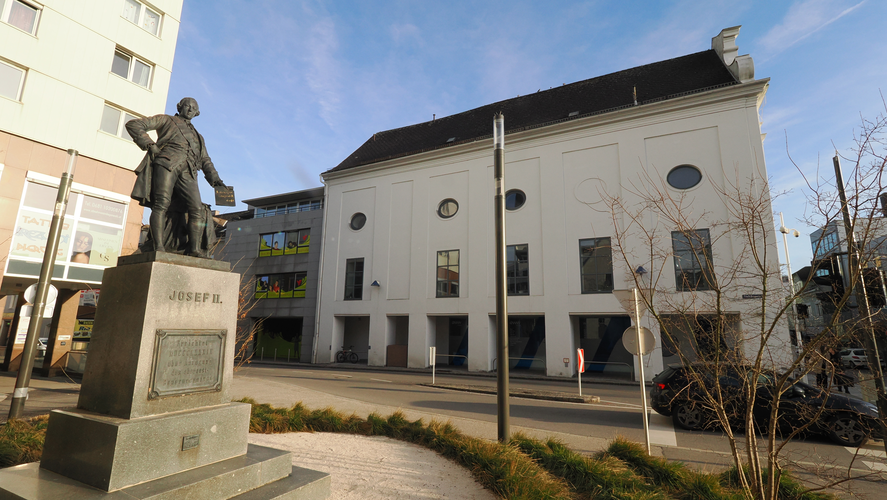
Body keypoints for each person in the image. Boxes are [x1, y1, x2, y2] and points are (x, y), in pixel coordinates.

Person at [126, 97, 226, 257]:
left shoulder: (199, 137)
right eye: (187, 106)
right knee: (161, 204)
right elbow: (134, 124)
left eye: (194, 108)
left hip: (189, 171)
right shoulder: (166, 120)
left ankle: (194, 250)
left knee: (196, 209)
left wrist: (216, 180)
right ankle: (158, 247)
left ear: (197, 113)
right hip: (166, 164)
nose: (190, 110)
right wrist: (150, 145)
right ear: (180, 106)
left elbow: (205, 160)